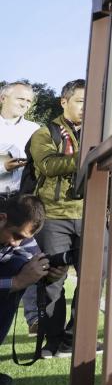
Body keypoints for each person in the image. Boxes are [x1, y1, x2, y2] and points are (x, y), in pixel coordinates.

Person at [27, 79, 85, 357]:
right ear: (64, 102)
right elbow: (47, 164)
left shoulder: (98, 133)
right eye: (80, 101)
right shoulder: (44, 132)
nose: (87, 108)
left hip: (91, 215)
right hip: (53, 216)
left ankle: (75, 338)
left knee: (94, 278)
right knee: (53, 279)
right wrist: (88, 156)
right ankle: (52, 341)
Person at [0, 195, 66, 385]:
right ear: (2, 218)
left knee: (22, 266)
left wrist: (49, 274)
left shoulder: (19, 236)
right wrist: (17, 282)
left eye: (24, 239)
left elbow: (35, 261)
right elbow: (18, 280)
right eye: (16, 235)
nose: (16, 244)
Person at [0, 82, 41, 336]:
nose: (25, 105)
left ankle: (34, 318)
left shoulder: (35, 130)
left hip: (21, 203)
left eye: (28, 102)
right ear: (3, 97)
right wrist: (3, 166)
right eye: (20, 100)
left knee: (31, 260)